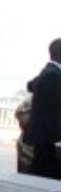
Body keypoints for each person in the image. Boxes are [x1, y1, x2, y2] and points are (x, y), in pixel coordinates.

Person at [23, 38, 61, 179]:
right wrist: (59, 142)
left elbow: (30, 85)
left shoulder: (49, 72)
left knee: (41, 175)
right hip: (48, 139)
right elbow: (52, 113)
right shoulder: (53, 75)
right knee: (45, 178)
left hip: (43, 138)